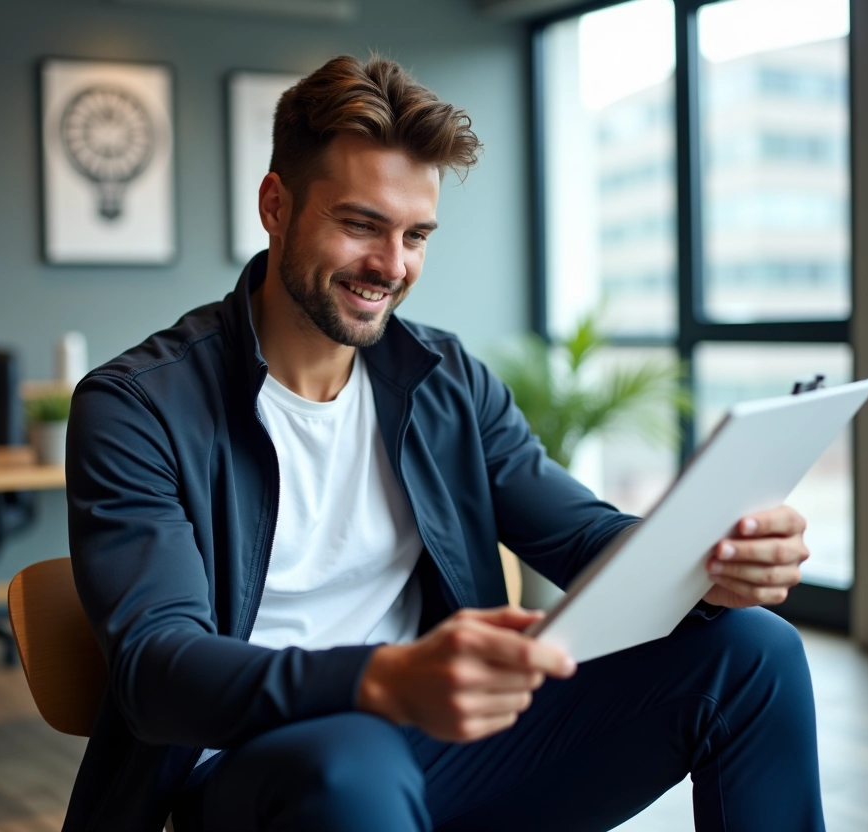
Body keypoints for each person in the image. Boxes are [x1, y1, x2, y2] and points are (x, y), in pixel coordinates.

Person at [64, 55, 825, 832]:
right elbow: (158, 669)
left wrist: (710, 563)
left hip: (439, 744)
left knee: (753, 653)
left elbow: (583, 535)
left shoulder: (443, 378)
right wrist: (381, 679)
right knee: (354, 764)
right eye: (360, 224)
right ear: (275, 206)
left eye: (416, 235)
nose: (391, 266)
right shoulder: (137, 407)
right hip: (252, 771)